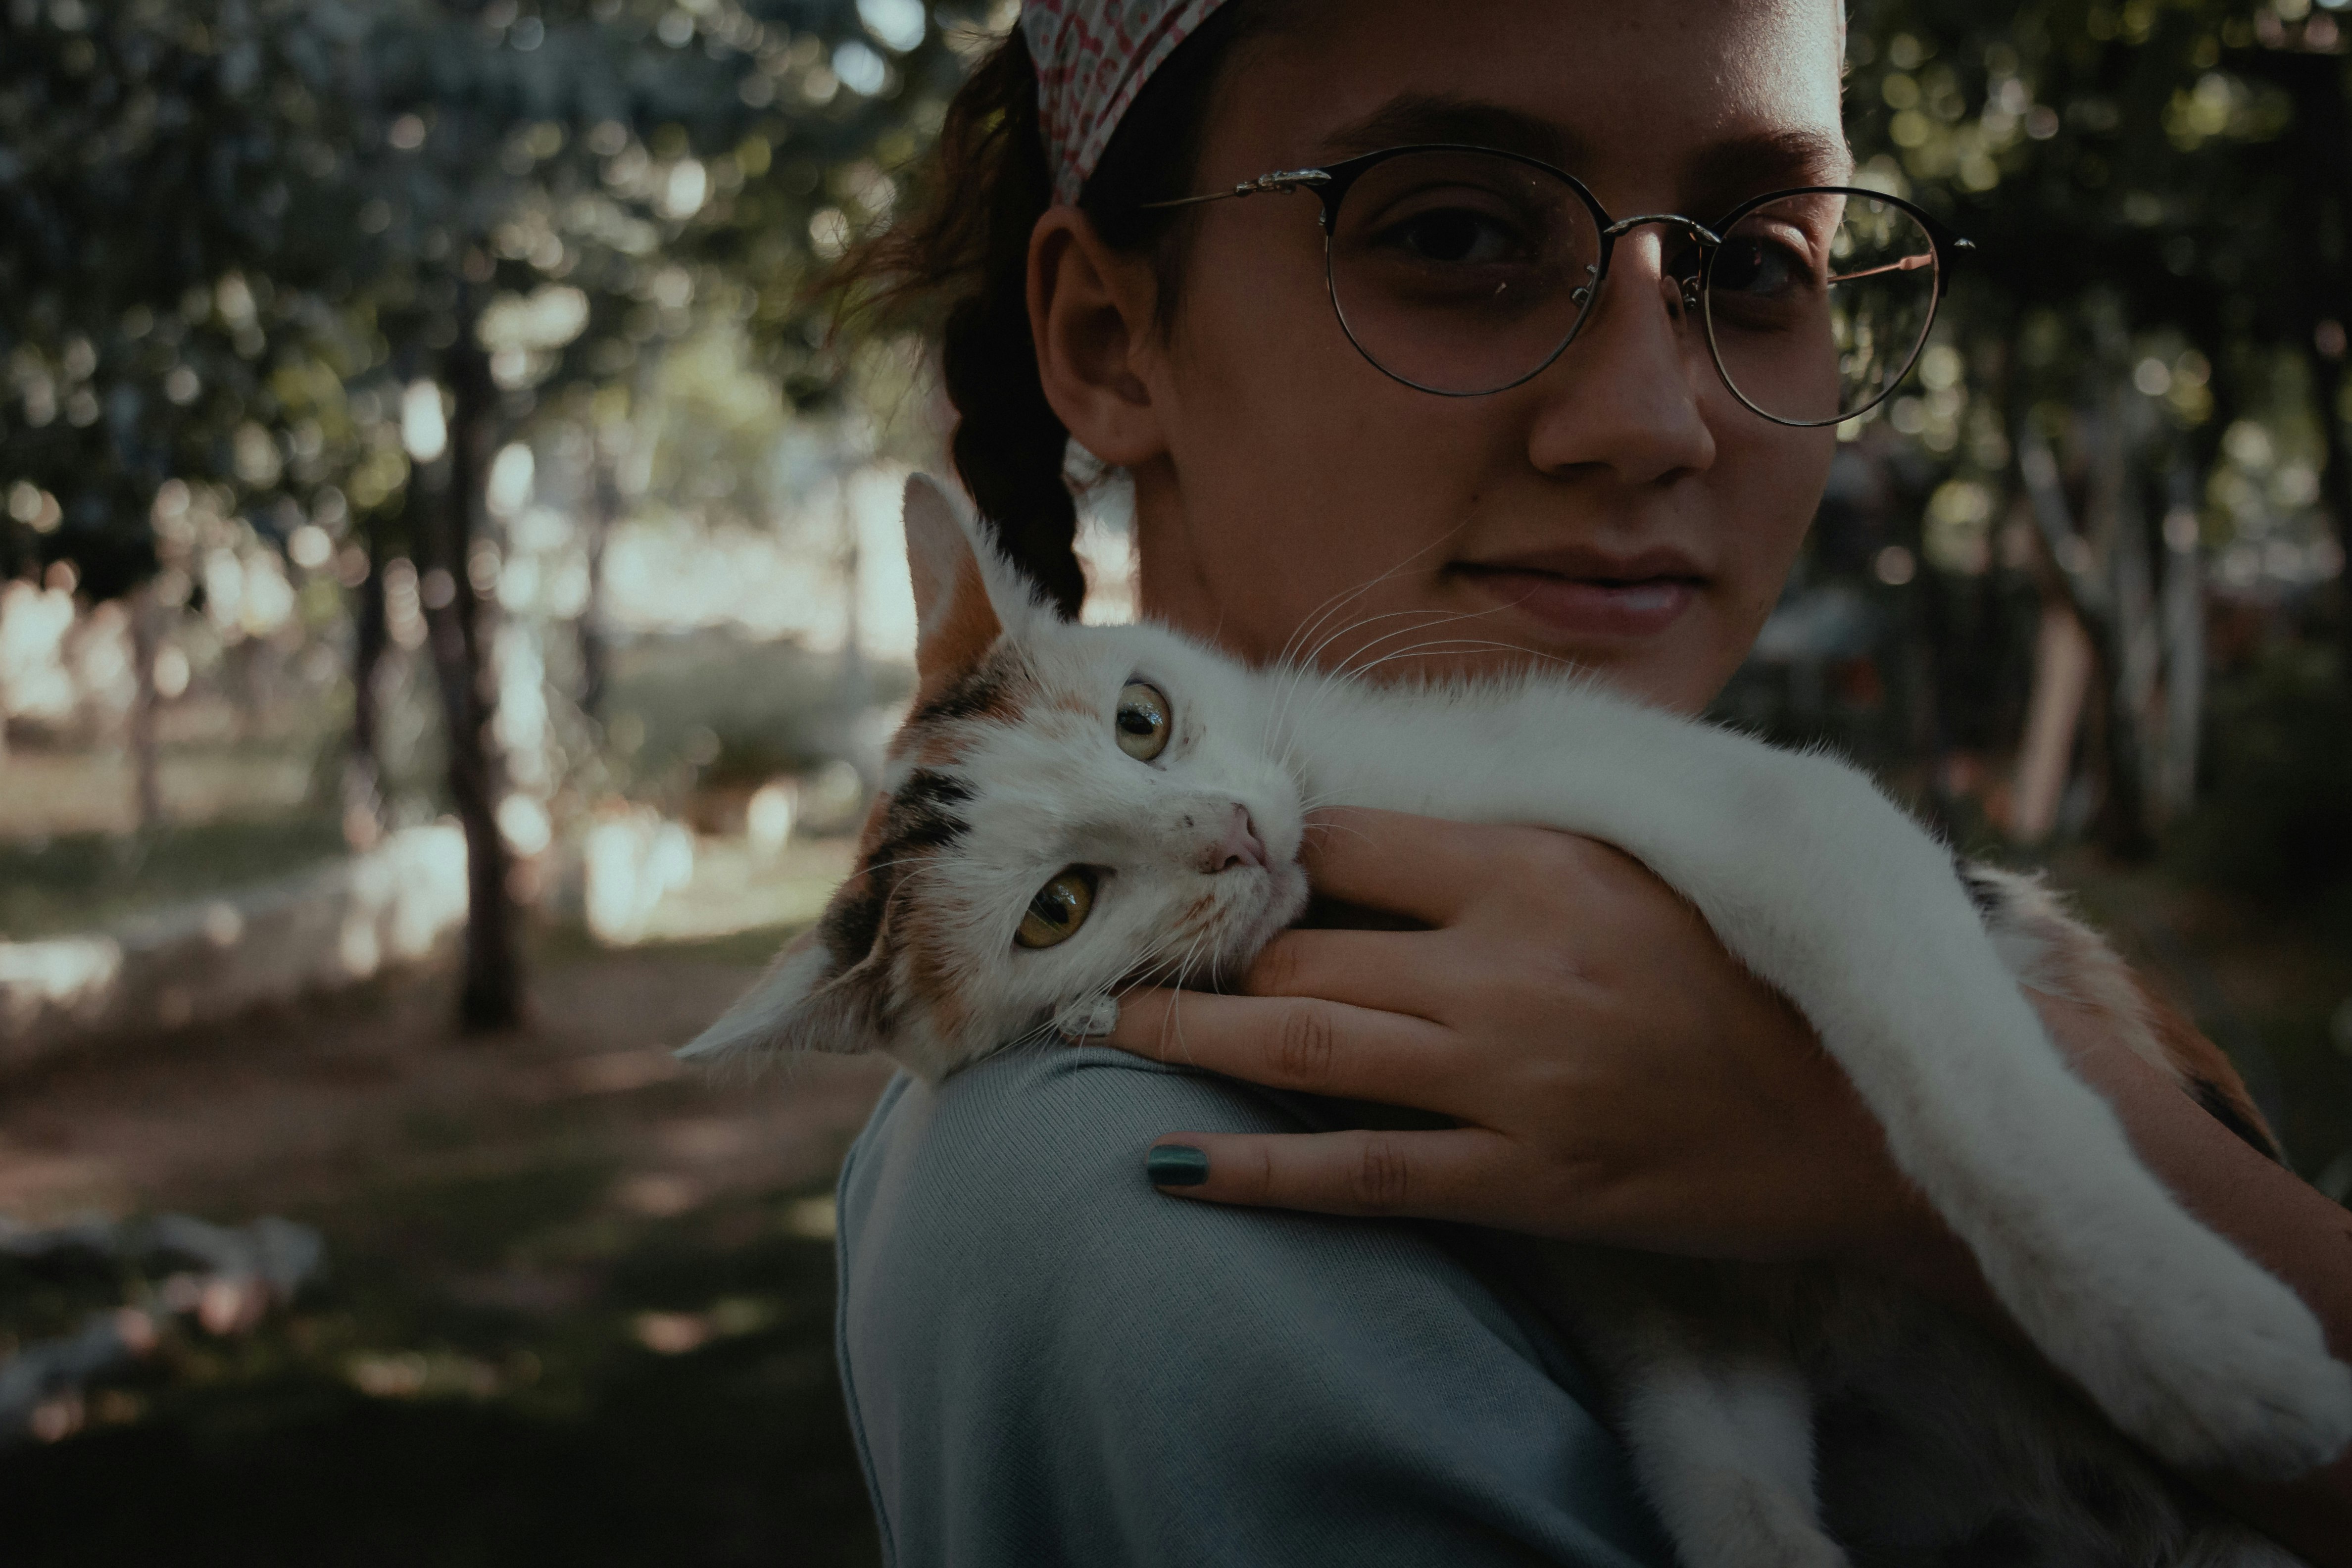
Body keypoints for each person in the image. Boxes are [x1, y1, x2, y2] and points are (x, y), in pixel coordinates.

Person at [825, 2, 2352, 1562]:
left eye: (1758, 263)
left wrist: (1894, 1157)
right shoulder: (1126, 1201)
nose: (1653, 418)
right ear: (1104, 337)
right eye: (1457, 231)